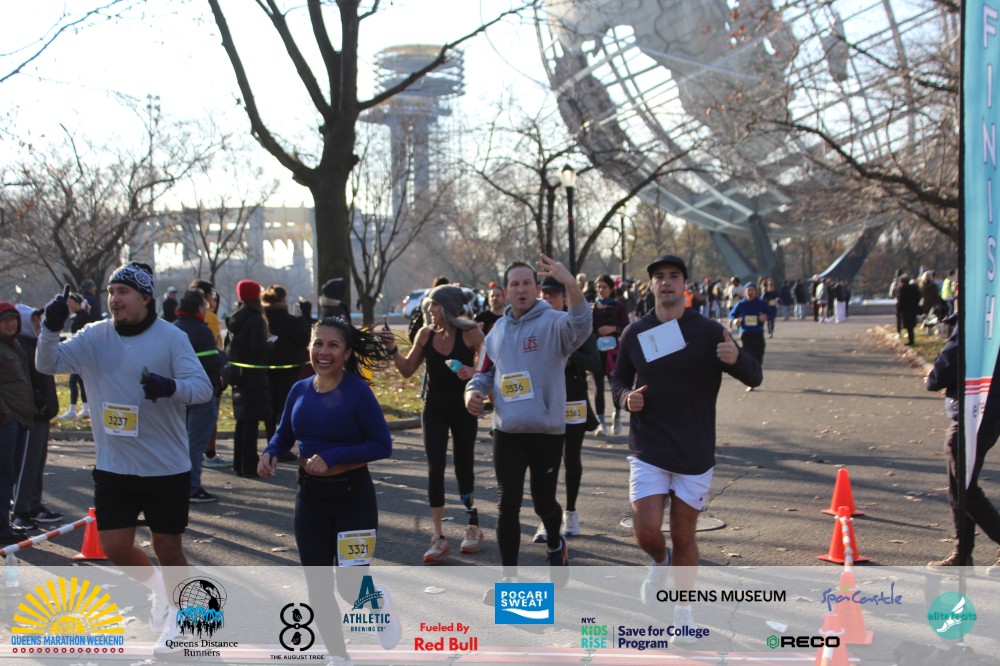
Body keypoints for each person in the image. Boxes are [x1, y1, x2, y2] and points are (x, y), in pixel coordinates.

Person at [35, 262, 214, 650]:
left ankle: (182, 618)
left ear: (146, 297)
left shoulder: (171, 338)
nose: (114, 299)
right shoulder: (94, 335)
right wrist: (50, 327)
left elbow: (202, 389)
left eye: (123, 292)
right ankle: (159, 591)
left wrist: (169, 387)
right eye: (112, 292)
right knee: (115, 546)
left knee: (168, 547)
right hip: (115, 465)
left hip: (165, 466)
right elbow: (48, 364)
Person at [610, 254, 761, 637]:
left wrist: (737, 359)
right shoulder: (636, 332)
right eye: (659, 276)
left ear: (685, 285)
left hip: (694, 450)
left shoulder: (709, 331)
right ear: (651, 285)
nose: (666, 282)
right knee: (646, 530)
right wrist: (626, 398)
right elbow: (618, 379)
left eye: (674, 276)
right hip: (648, 446)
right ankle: (659, 561)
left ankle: (683, 611)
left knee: (683, 535)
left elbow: (755, 376)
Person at [258, 316, 400, 663]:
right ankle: (339, 656)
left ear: (346, 352)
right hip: (310, 499)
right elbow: (284, 432)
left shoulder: (357, 393)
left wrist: (333, 457)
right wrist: (271, 451)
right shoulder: (299, 389)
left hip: (354, 499)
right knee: (318, 588)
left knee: (350, 587)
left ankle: (377, 602)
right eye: (318, 343)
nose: (323, 351)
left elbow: (382, 445)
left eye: (333, 345)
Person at [465, 255, 592, 592]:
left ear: (536, 289)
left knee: (543, 503)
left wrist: (570, 283)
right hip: (507, 431)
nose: (520, 289)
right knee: (507, 504)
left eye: (526, 283)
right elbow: (483, 373)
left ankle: (555, 542)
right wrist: (472, 393)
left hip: (546, 431)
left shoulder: (554, 323)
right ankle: (509, 580)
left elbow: (582, 324)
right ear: (506, 292)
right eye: (514, 284)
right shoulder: (497, 331)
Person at [382, 285, 486, 563]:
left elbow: (492, 364)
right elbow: (407, 370)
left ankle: (473, 525)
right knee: (435, 467)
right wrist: (393, 349)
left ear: (448, 308)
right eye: (429, 304)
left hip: (463, 408)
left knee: (464, 465)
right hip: (434, 408)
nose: (429, 309)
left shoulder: (471, 333)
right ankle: (438, 536)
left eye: (434, 304)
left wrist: (473, 371)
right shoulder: (425, 334)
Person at [926, 314, 1000, 574]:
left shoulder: (974, 314)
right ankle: (962, 553)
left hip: (974, 410)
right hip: (988, 408)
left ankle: (964, 553)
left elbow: (943, 371)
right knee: (960, 487)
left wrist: (933, 376)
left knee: (964, 488)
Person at [533, 276, 600, 542]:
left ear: (564, 297)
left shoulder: (577, 325)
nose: (548, 298)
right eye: (545, 293)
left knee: (571, 457)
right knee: (544, 460)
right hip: (544, 398)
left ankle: (571, 512)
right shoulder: (535, 324)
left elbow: (595, 362)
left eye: (554, 294)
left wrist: (572, 355)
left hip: (573, 396)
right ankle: (547, 517)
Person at [12, 305, 63, 531]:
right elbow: (20, 381)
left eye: (38, 320)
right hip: (30, 414)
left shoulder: (37, 344)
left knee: (37, 462)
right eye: (32, 321)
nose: (37, 325)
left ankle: (34, 504)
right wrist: (38, 399)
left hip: (43, 413)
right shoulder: (20, 347)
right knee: (26, 464)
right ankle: (20, 511)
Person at [174, 289, 226, 503]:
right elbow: (211, 361)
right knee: (195, 443)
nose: (207, 309)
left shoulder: (174, 328)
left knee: (180, 442)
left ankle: (178, 485)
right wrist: (223, 356)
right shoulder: (202, 331)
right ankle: (192, 487)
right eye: (205, 305)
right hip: (201, 393)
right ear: (198, 308)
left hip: (179, 392)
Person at [226, 280, 272, 477]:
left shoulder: (235, 317)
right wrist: (270, 345)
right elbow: (257, 348)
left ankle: (238, 463)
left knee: (242, 421)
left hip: (239, 374)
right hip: (254, 376)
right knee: (251, 421)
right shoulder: (256, 319)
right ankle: (249, 465)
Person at [261, 285, 311, 451]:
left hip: (267, 369)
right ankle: (282, 446)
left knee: (270, 407)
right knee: (285, 408)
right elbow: (305, 338)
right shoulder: (290, 320)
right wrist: (302, 318)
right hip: (289, 370)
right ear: (283, 300)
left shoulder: (263, 319)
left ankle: (271, 440)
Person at [0, 303, 34, 544]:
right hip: (6, 421)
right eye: (5, 320)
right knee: (3, 476)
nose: (10, 324)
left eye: (13, 319)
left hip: (20, 419)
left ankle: (4, 521)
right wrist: (5, 413)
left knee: (10, 476)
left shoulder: (14, 345)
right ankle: (2, 528)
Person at [190, 279, 228, 469]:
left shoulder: (183, 320)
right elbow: (215, 347)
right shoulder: (210, 318)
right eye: (212, 296)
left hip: (190, 375)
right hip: (210, 373)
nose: (214, 300)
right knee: (210, 416)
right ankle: (210, 452)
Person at [591, 274, 629, 436]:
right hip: (597, 352)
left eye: (604, 287)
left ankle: (617, 416)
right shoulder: (592, 307)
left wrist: (612, 329)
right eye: (598, 287)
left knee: (614, 385)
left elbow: (626, 327)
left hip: (614, 352)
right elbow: (587, 329)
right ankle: (601, 423)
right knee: (598, 387)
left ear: (611, 288)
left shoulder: (618, 306)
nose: (601, 290)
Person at [57, 293, 93, 420]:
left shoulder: (85, 317)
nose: (69, 305)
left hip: (82, 354)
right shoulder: (75, 317)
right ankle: (85, 409)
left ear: (77, 302)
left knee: (74, 381)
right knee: (80, 382)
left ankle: (74, 410)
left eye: (70, 302)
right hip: (77, 353)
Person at [729, 282, 770, 391]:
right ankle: (751, 382)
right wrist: (735, 320)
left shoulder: (761, 303)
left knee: (758, 358)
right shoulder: (741, 304)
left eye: (752, 290)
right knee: (748, 357)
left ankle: (756, 376)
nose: (750, 292)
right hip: (746, 335)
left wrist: (765, 316)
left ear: (756, 292)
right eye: (748, 290)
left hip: (758, 334)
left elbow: (771, 313)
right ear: (745, 292)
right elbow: (732, 314)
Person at [896, 275, 921, 346]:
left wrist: (899, 309)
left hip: (905, 310)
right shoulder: (914, 288)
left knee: (908, 326)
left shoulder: (902, 289)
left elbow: (900, 301)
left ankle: (910, 341)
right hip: (913, 309)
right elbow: (919, 297)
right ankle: (911, 340)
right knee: (911, 326)